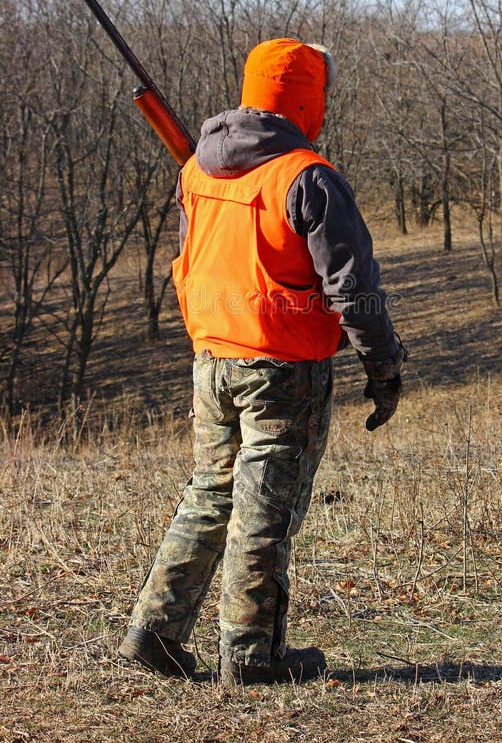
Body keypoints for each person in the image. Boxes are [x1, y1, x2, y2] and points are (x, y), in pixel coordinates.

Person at [118, 38, 407, 685]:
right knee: (265, 507)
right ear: (308, 100)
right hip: (282, 368)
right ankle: (252, 657)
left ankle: (154, 631)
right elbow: (353, 287)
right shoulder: (307, 177)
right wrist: (383, 367)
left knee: (211, 493)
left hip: (213, 357)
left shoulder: (199, 169)